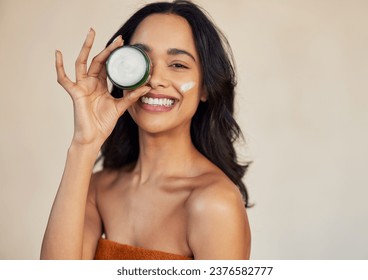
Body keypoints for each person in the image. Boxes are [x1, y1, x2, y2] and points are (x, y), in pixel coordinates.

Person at [41, 0, 251, 260]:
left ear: (206, 87)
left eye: (177, 65)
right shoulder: (98, 188)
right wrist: (84, 143)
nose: (153, 80)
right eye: (141, 60)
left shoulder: (214, 202)